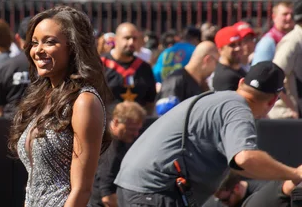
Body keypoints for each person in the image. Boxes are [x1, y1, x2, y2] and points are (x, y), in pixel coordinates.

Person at [115, 61, 302, 206]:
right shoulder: (237, 108)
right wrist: (293, 173)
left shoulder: (214, 98)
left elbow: (238, 163)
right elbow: (245, 159)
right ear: (273, 101)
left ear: (241, 82)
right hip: (155, 192)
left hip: (135, 186)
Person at [9, 6, 114, 207]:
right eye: (34, 43)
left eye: (50, 42)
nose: (38, 50)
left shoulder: (84, 101)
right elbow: (34, 184)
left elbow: (81, 189)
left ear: (73, 47)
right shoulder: (42, 97)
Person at [89, 101, 146, 207]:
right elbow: (107, 197)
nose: (136, 134)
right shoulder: (111, 148)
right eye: (131, 129)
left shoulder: (123, 139)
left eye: (138, 130)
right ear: (116, 122)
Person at [101, 23, 156, 114]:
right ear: (116, 39)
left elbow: (150, 102)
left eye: (134, 39)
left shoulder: (144, 68)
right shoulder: (101, 65)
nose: (131, 42)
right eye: (127, 38)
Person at [155, 41, 219, 116]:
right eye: (216, 62)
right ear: (207, 60)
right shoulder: (175, 81)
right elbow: (165, 116)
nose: (216, 68)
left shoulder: (200, 84)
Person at [0, 17, 31, 119]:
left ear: (17, 38)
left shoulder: (5, 66)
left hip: (11, 123)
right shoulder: (50, 66)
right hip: (39, 124)